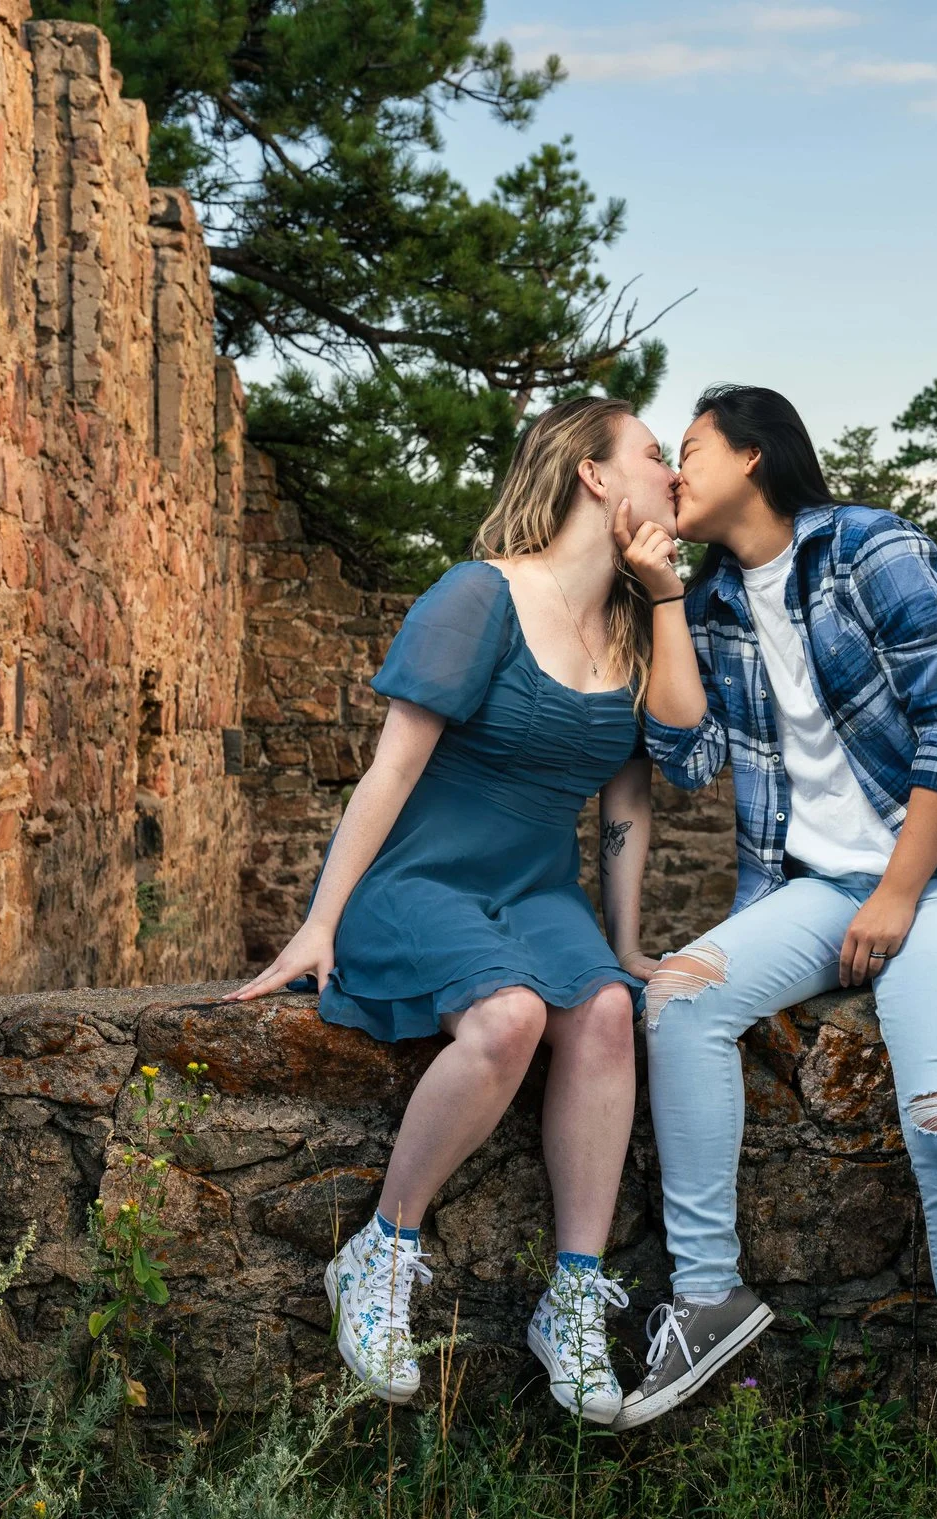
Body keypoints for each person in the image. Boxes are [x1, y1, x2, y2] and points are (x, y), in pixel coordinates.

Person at [607, 385, 937, 1519]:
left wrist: (898, 897)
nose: (673, 472)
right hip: (805, 890)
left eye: (686, 450)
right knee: (678, 997)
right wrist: (655, 600)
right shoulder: (706, 604)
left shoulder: (875, 549)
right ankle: (707, 1299)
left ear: (753, 454)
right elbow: (687, 757)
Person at [229, 398, 675, 1424]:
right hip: (418, 883)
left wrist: (626, 943)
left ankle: (569, 1299)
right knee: (511, 1016)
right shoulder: (478, 598)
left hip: (534, 893)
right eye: (653, 455)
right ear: (594, 476)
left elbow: (626, 807)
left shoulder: (638, 630)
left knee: (606, 1013)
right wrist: (318, 920)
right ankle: (382, 1251)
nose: (671, 475)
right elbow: (388, 773)